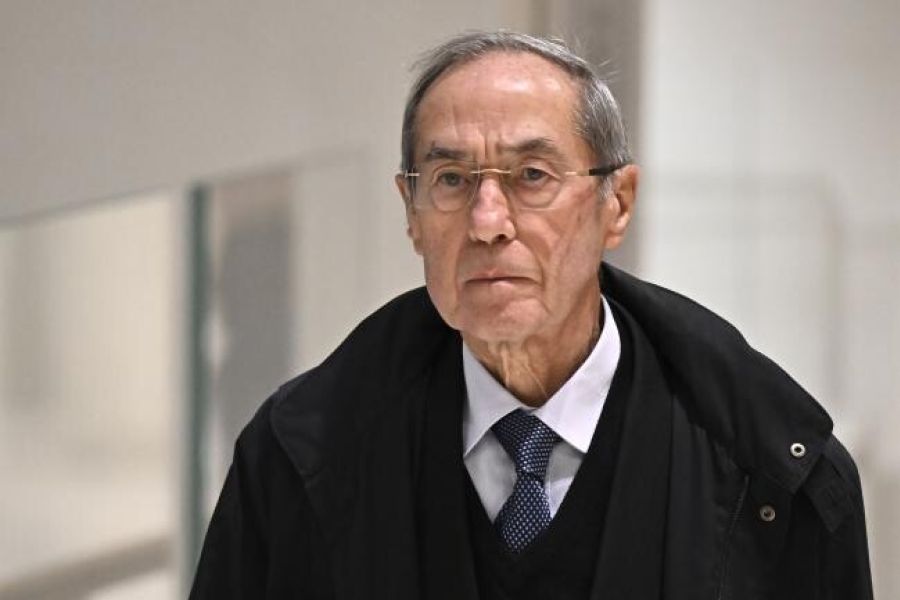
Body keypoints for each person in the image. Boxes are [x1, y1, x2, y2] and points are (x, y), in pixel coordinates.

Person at [189, 31, 873, 599]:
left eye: (532, 177)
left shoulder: (778, 476)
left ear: (617, 204)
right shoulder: (294, 457)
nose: (487, 222)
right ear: (412, 213)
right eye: (452, 180)